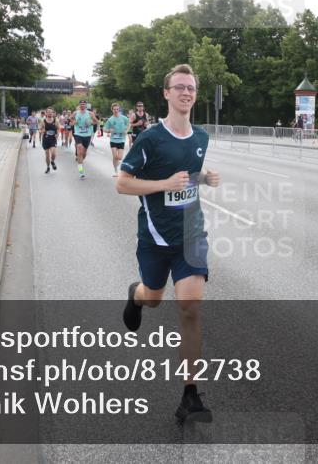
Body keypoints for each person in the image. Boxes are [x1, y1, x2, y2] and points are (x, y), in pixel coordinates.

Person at [115, 64, 220, 425]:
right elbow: (123, 183)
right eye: (179, 87)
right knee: (155, 298)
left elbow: (186, 177)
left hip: (191, 235)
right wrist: (163, 184)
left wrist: (202, 178)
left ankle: (190, 394)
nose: (186, 93)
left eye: (191, 88)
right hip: (155, 239)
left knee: (190, 308)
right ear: (166, 93)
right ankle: (137, 294)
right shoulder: (150, 139)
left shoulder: (202, 137)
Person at [72, 99, 100, 179]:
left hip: (87, 135)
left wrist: (91, 123)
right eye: (81, 104)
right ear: (79, 105)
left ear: (86, 105)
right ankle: (81, 171)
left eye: (84, 104)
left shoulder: (90, 113)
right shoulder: (75, 113)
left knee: (83, 154)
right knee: (79, 148)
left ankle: (80, 159)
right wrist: (73, 122)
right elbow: (70, 119)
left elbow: (97, 121)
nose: (82, 105)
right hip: (78, 133)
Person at [104, 103, 131, 177]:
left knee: (120, 157)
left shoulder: (123, 118)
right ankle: (116, 171)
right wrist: (109, 130)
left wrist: (126, 131)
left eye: (117, 109)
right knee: (115, 156)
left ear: (119, 110)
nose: (116, 110)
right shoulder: (110, 119)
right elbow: (104, 129)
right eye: (114, 109)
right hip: (113, 140)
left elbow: (129, 124)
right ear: (112, 110)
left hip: (121, 140)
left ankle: (117, 163)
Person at [42, 107, 59, 174]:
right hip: (45, 139)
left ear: (53, 113)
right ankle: (48, 167)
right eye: (48, 112)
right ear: (46, 113)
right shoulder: (43, 121)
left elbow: (58, 128)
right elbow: (40, 129)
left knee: (53, 153)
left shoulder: (56, 120)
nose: (50, 113)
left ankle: (52, 161)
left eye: (51, 112)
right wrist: (42, 131)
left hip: (53, 139)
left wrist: (57, 134)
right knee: (47, 155)